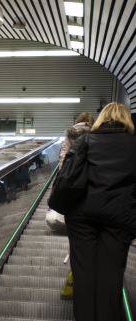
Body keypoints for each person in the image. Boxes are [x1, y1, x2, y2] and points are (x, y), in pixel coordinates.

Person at [64, 103, 136, 321]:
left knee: (83, 272)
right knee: (111, 273)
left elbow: (69, 176)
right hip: (119, 217)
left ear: (100, 119)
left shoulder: (86, 140)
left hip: (82, 215)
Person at [48, 111, 94, 300]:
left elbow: (62, 162)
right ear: (91, 122)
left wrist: (60, 187)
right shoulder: (96, 136)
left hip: (72, 192)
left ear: (77, 122)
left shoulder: (68, 136)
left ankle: (74, 275)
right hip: (91, 192)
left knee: (75, 235)